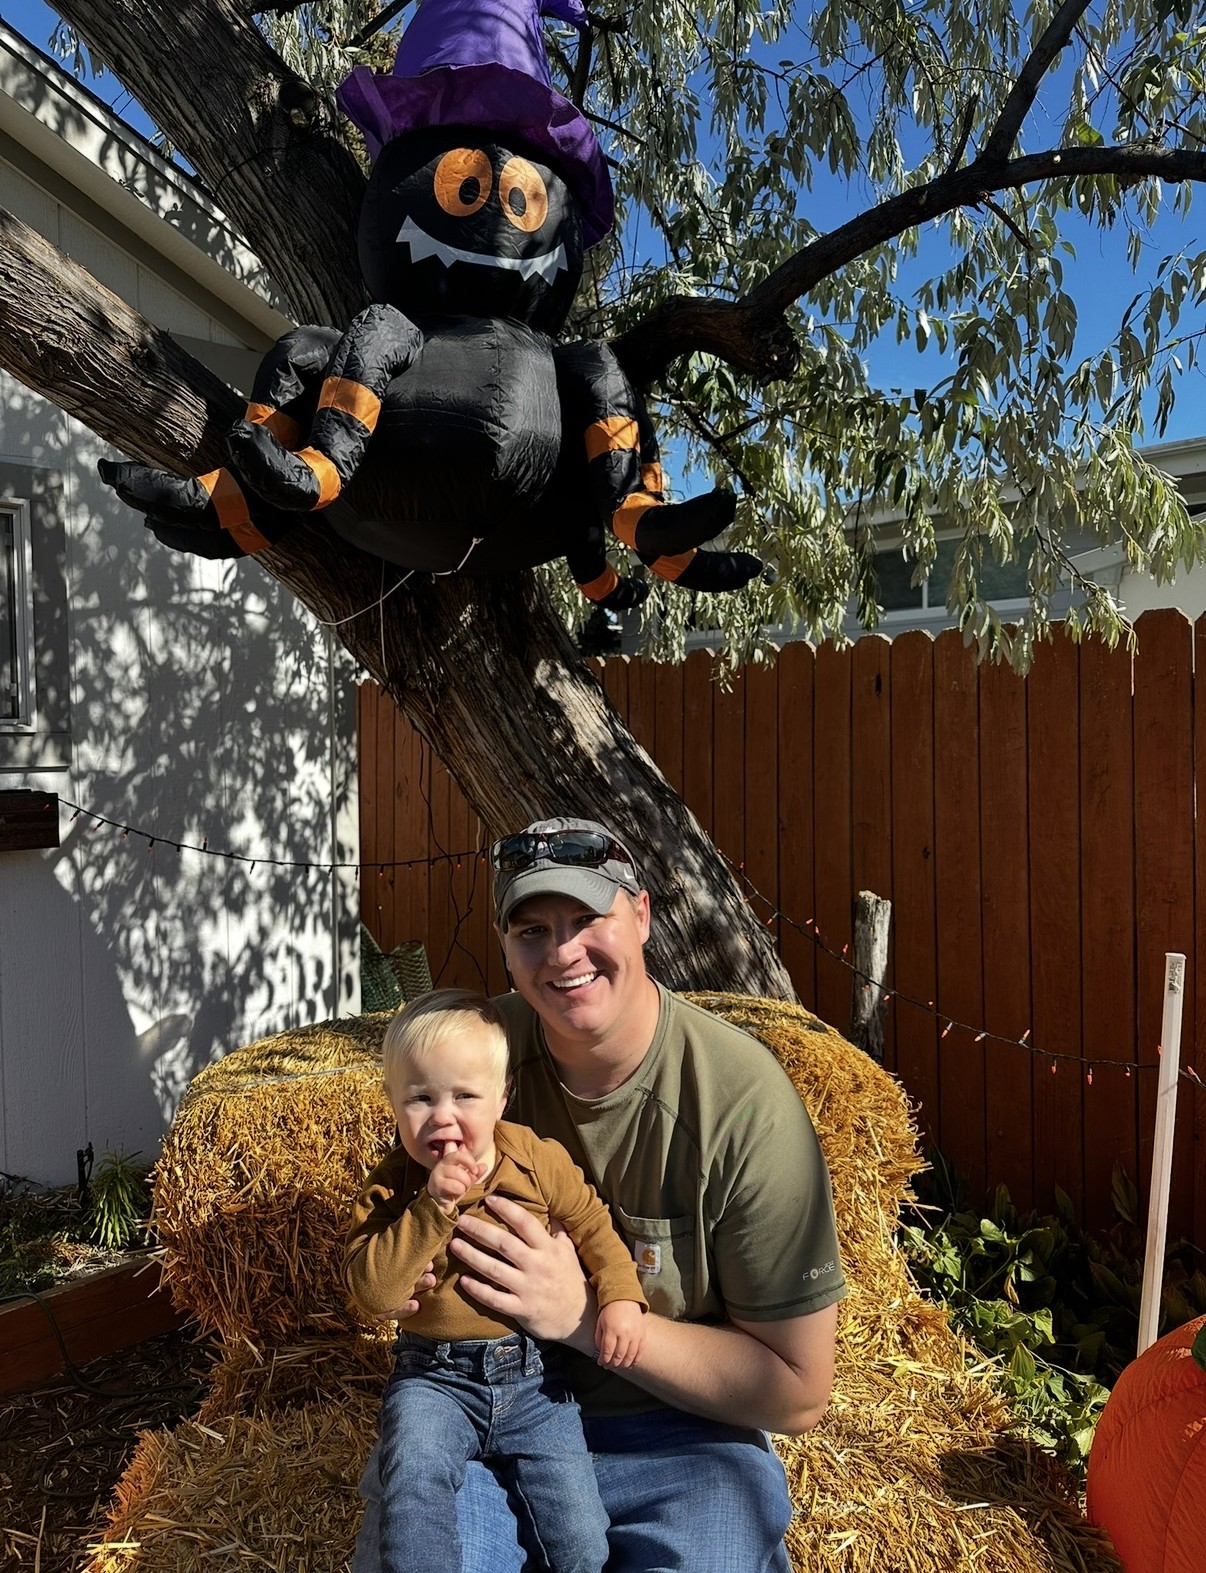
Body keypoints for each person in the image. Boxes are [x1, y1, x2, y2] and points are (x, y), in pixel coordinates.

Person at [353, 818, 846, 1573]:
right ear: (505, 945)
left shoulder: (740, 1101)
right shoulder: (472, 1058)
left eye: (588, 919)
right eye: (533, 930)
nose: (562, 952)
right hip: (487, 1427)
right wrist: (403, 1264)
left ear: (641, 915)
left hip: (681, 1437)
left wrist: (583, 1316)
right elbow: (390, 1210)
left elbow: (798, 1390)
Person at [345, 987, 648, 1573]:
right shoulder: (392, 1187)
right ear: (391, 1103)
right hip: (433, 1380)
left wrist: (620, 1296)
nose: (443, 1116)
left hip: (537, 1381)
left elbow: (591, 1221)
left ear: (502, 1097)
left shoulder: (533, 1158)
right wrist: (431, 1207)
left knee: (582, 1539)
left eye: (464, 1095)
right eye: (420, 1098)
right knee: (412, 1485)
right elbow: (374, 1292)